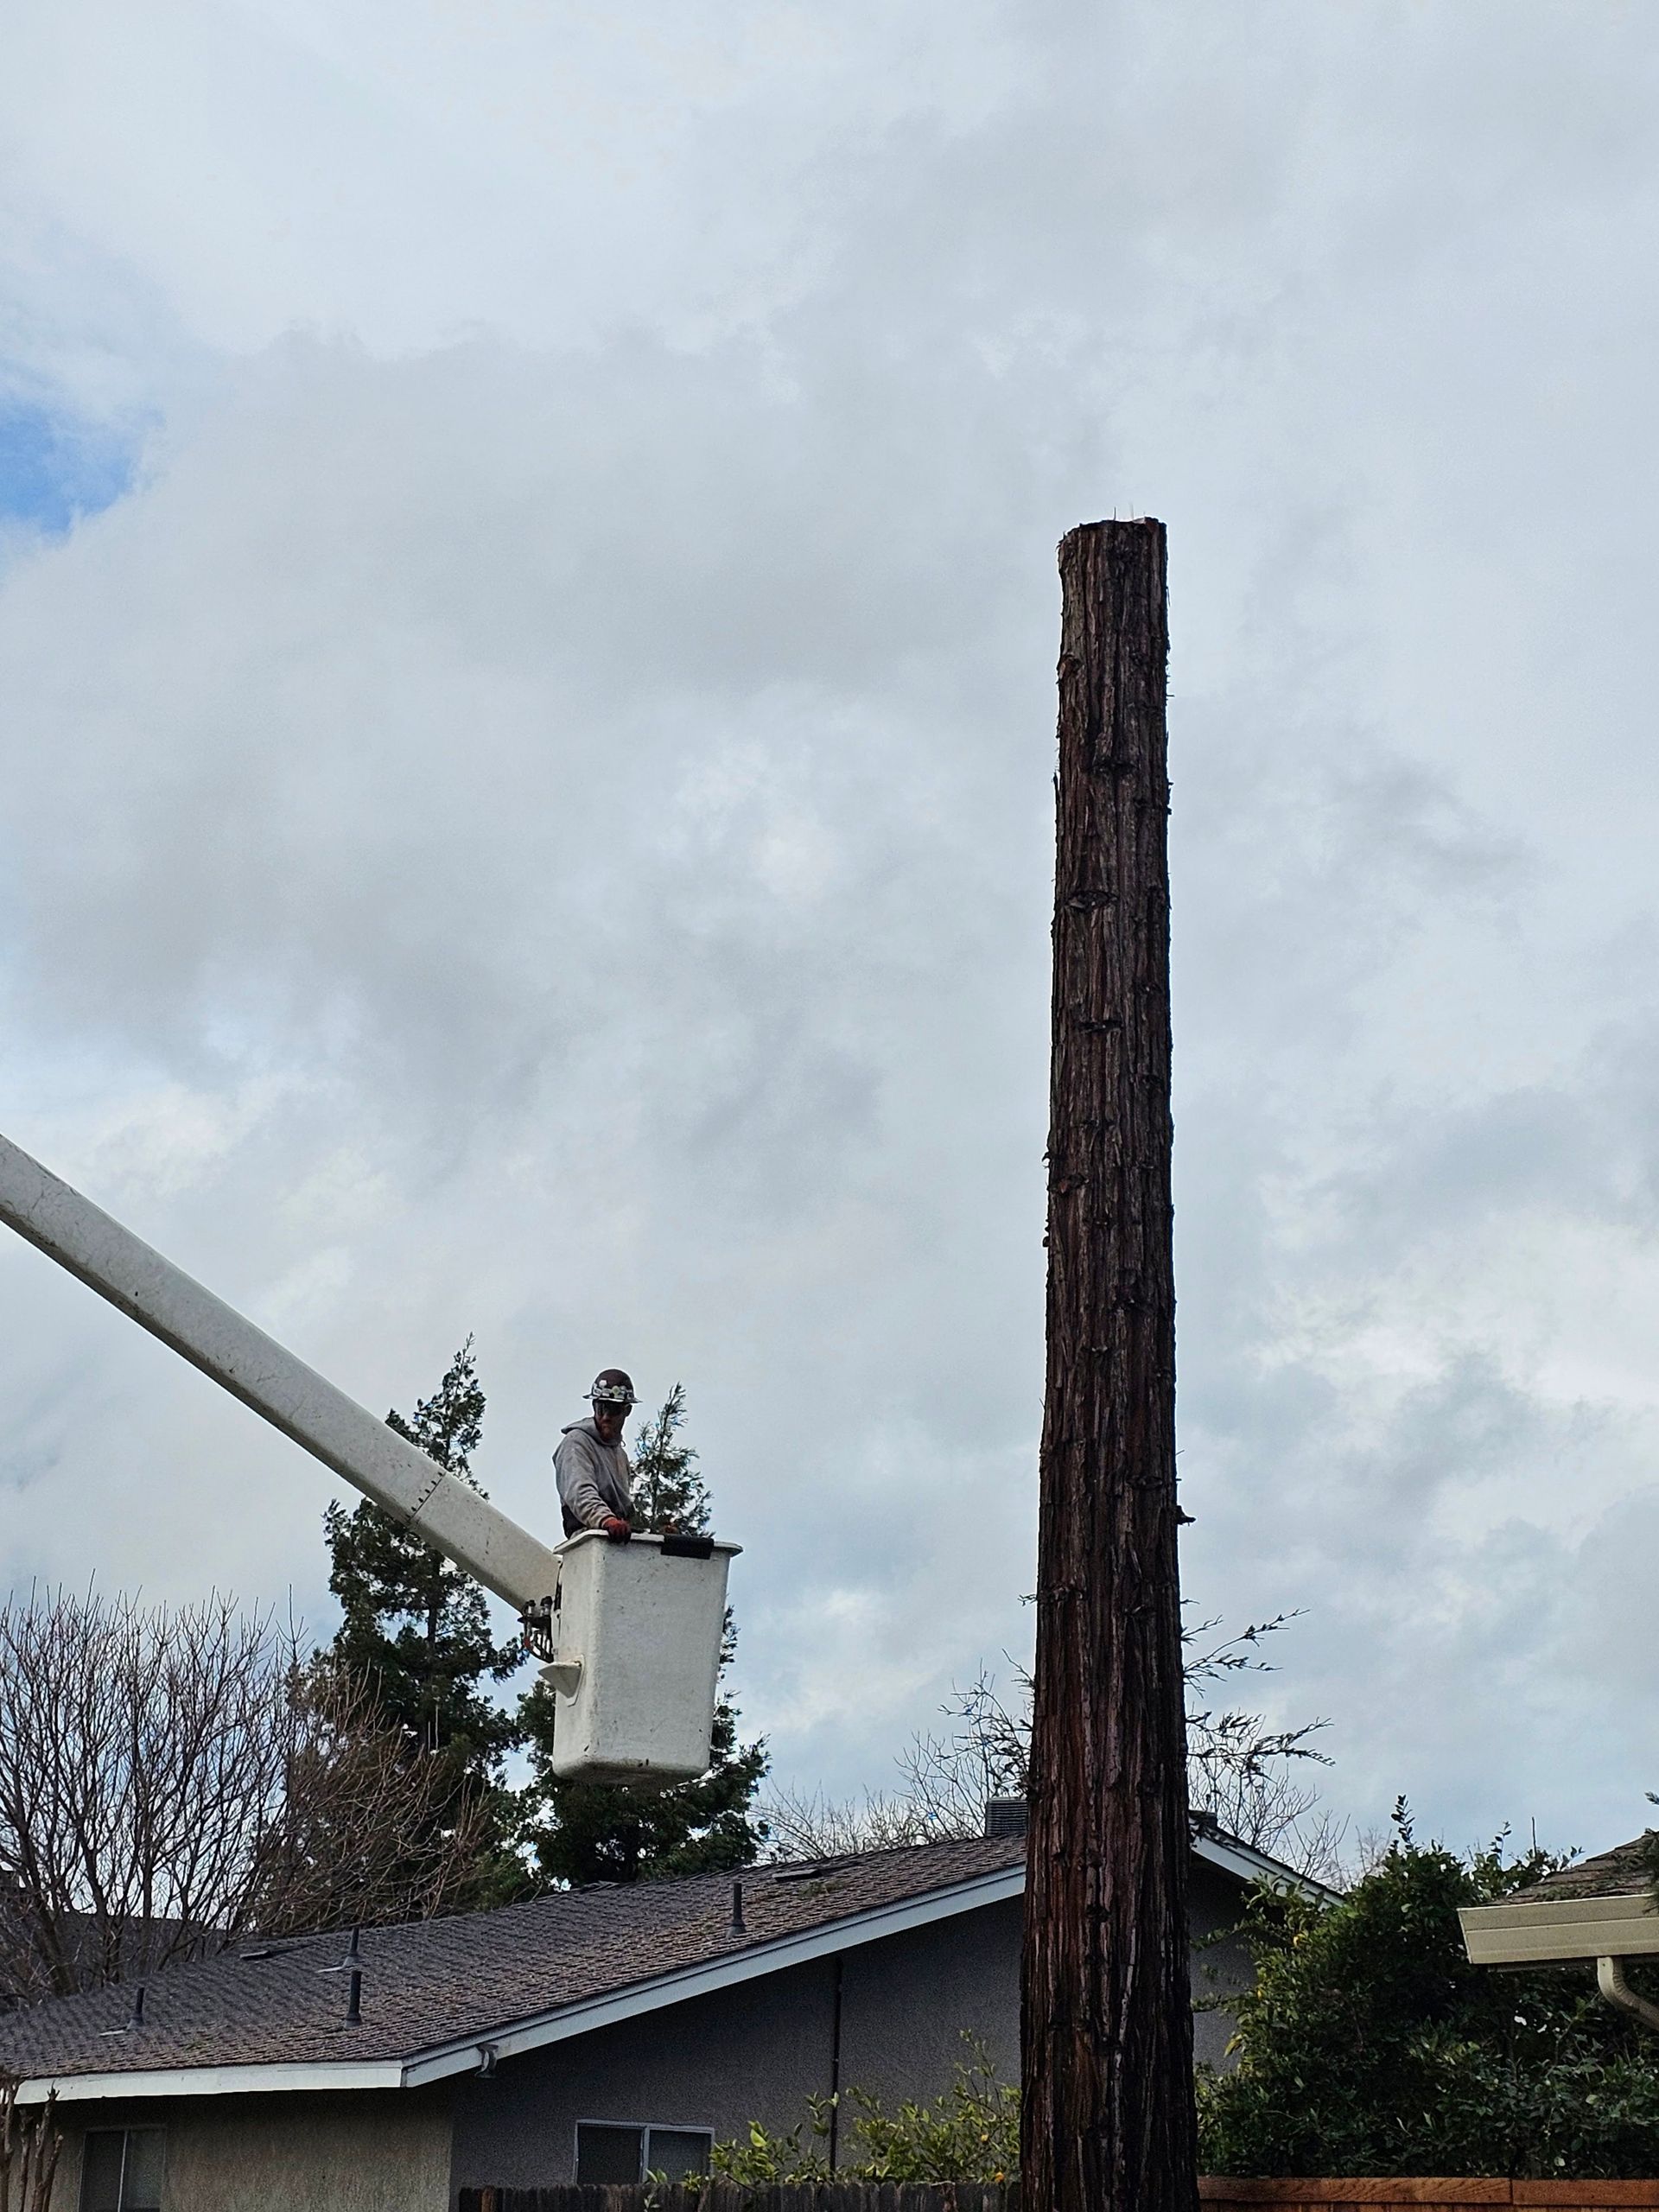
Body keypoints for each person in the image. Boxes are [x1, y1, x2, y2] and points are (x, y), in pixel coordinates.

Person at [555, 1370, 636, 1541]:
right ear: (594, 1406)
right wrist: (606, 1520)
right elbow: (580, 1491)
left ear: (626, 1411)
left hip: (615, 1539)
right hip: (587, 1539)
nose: (605, 1416)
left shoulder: (620, 1455)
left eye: (613, 1410)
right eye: (601, 1408)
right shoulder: (576, 1443)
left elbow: (624, 1509)